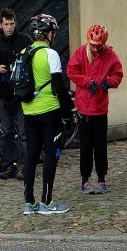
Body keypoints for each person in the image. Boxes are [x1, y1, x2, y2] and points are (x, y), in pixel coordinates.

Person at [21, 14, 74, 215]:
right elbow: (59, 87)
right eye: (52, 32)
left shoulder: (24, 51)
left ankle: (29, 202)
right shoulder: (49, 54)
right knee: (51, 155)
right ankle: (47, 201)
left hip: (28, 110)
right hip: (49, 111)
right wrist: (69, 110)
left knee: (32, 156)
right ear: (48, 33)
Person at [67, 25, 123, 194]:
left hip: (100, 108)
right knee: (85, 146)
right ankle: (85, 179)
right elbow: (72, 71)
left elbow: (118, 73)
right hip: (84, 107)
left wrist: (110, 82)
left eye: (98, 46)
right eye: (92, 45)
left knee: (100, 146)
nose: (95, 49)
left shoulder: (110, 55)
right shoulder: (81, 52)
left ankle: (101, 178)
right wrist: (87, 81)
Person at [0, 8, 33, 180]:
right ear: (0, 24)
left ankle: (26, 166)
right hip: (4, 94)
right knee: (6, 132)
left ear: (15, 23)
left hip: (22, 94)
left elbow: (33, 60)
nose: (9, 27)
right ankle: (8, 165)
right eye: (6, 24)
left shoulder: (25, 40)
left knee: (24, 131)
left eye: (12, 24)